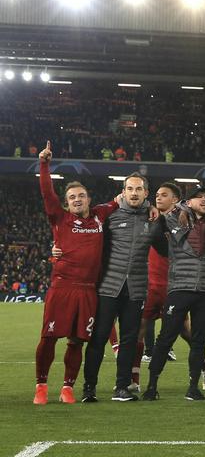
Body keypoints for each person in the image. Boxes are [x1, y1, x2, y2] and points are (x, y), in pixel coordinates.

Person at [34, 141, 114, 405]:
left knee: (78, 340)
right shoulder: (60, 217)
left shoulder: (101, 215)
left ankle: (68, 387)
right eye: (72, 197)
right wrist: (44, 164)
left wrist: (149, 206)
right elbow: (47, 194)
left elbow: (122, 199)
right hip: (62, 286)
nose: (77, 199)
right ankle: (41, 385)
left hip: (88, 289)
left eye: (81, 195)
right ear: (66, 203)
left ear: (89, 198)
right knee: (48, 337)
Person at [82, 172, 162, 403]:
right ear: (123, 191)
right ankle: (89, 388)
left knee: (129, 340)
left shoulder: (153, 220)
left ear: (146, 193)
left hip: (135, 289)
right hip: (108, 286)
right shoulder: (109, 215)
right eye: (130, 189)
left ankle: (121, 388)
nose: (134, 193)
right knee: (98, 339)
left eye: (138, 189)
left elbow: (165, 248)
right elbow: (87, 236)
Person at [142, 185, 205, 401]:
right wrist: (170, 209)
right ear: (188, 202)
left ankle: (193, 387)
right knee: (165, 338)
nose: (204, 200)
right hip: (179, 288)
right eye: (198, 197)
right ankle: (151, 386)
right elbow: (152, 235)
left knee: (199, 341)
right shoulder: (171, 219)